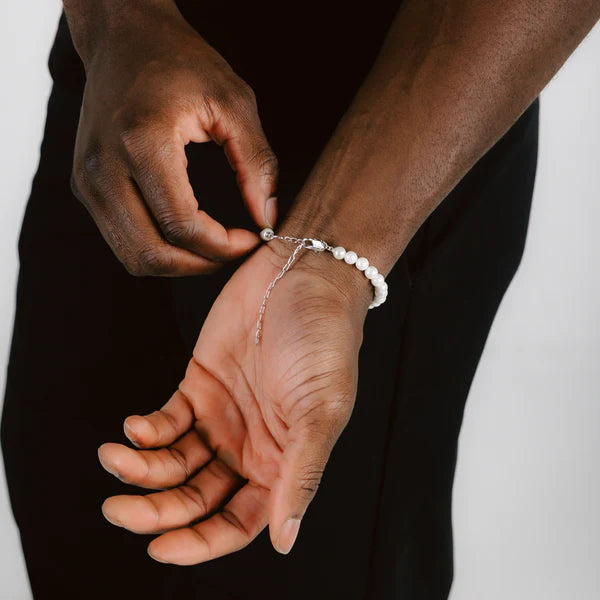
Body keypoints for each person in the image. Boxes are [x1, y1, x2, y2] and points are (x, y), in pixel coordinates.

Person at [2, 1, 599, 598]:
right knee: (67, 493)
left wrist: (332, 261)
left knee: (299, 559)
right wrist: (118, 24)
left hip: (400, 118)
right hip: (131, 83)